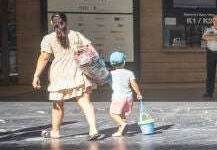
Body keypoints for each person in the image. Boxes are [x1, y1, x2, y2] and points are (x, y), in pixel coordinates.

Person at [31, 12, 104, 140]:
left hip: (59, 74)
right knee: (85, 102)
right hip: (78, 72)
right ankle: (93, 129)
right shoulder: (76, 35)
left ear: (52, 23)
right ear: (66, 22)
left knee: (58, 105)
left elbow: (44, 58)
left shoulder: (48, 39)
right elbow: (93, 52)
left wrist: (36, 75)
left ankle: (55, 132)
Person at [107, 51, 143, 137]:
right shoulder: (129, 73)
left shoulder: (110, 74)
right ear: (124, 62)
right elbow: (134, 84)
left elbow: (103, 81)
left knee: (113, 113)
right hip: (128, 97)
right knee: (121, 114)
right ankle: (120, 131)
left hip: (118, 98)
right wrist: (138, 93)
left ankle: (123, 125)